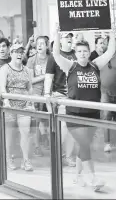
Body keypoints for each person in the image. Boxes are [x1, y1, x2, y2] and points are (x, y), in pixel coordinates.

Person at [51, 25, 116, 191]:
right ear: (75, 53)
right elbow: (55, 53)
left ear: (89, 52)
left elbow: (110, 52)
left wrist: (111, 33)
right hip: (74, 114)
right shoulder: (70, 66)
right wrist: (56, 33)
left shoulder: (95, 65)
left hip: (92, 114)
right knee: (85, 144)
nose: (82, 54)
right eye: (79, 52)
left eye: (85, 51)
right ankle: (92, 177)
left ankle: (78, 176)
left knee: (84, 145)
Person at [0, 44, 34, 171]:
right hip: (10, 106)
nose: (19, 54)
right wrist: (6, 100)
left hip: (24, 105)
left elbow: (30, 87)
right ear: (11, 53)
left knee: (26, 133)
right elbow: (2, 87)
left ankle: (26, 160)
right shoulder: (4, 69)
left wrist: (31, 102)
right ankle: (8, 158)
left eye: (21, 52)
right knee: (10, 134)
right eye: (16, 52)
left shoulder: (27, 70)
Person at [44, 32, 77, 167]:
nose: (69, 39)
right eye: (65, 37)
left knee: (72, 128)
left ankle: (68, 155)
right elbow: (49, 76)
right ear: (59, 40)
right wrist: (46, 95)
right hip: (60, 95)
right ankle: (57, 152)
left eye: (70, 37)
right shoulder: (54, 57)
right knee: (63, 127)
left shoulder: (76, 54)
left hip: (75, 96)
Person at [26, 36, 50, 157]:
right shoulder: (31, 60)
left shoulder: (51, 59)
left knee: (47, 121)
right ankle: (36, 146)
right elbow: (30, 80)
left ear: (47, 45)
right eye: (38, 44)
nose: (39, 46)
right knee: (36, 122)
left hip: (49, 93)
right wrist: (45, 76)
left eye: (42, 43)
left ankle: (49, 142)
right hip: (36, 93)